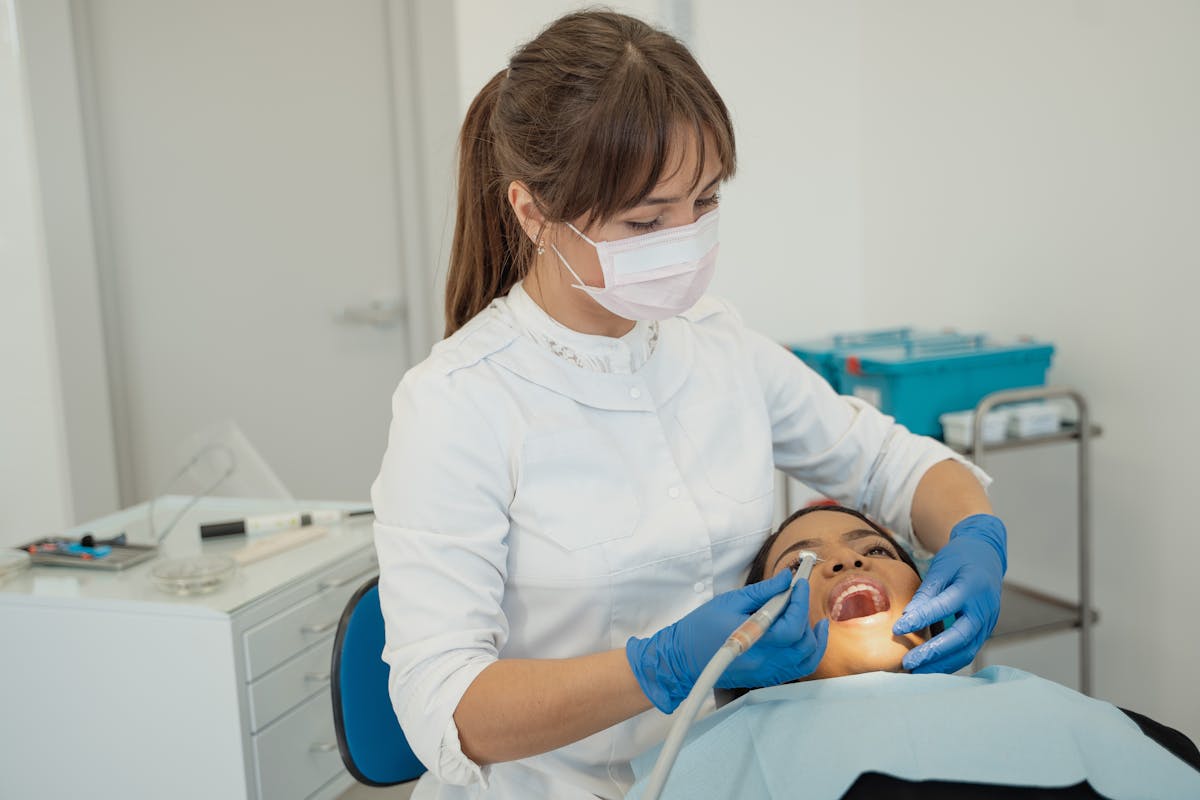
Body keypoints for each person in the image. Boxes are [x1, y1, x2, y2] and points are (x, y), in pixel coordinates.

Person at [371, 10, 1007, 799]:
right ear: (534, 212)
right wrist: (660, 667)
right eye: (646, 220)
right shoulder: (457, 405)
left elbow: (891, 462)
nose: (685, 238)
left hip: (731, 772)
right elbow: (449, 711)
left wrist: (977, 539)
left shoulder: (716, 343)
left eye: (704, 203)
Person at [624, 505, 1200, 799]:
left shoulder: (1115, 728)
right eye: (801, 564)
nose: (847, 563)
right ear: (759, 628)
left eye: (873, 548)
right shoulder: (702, 771)